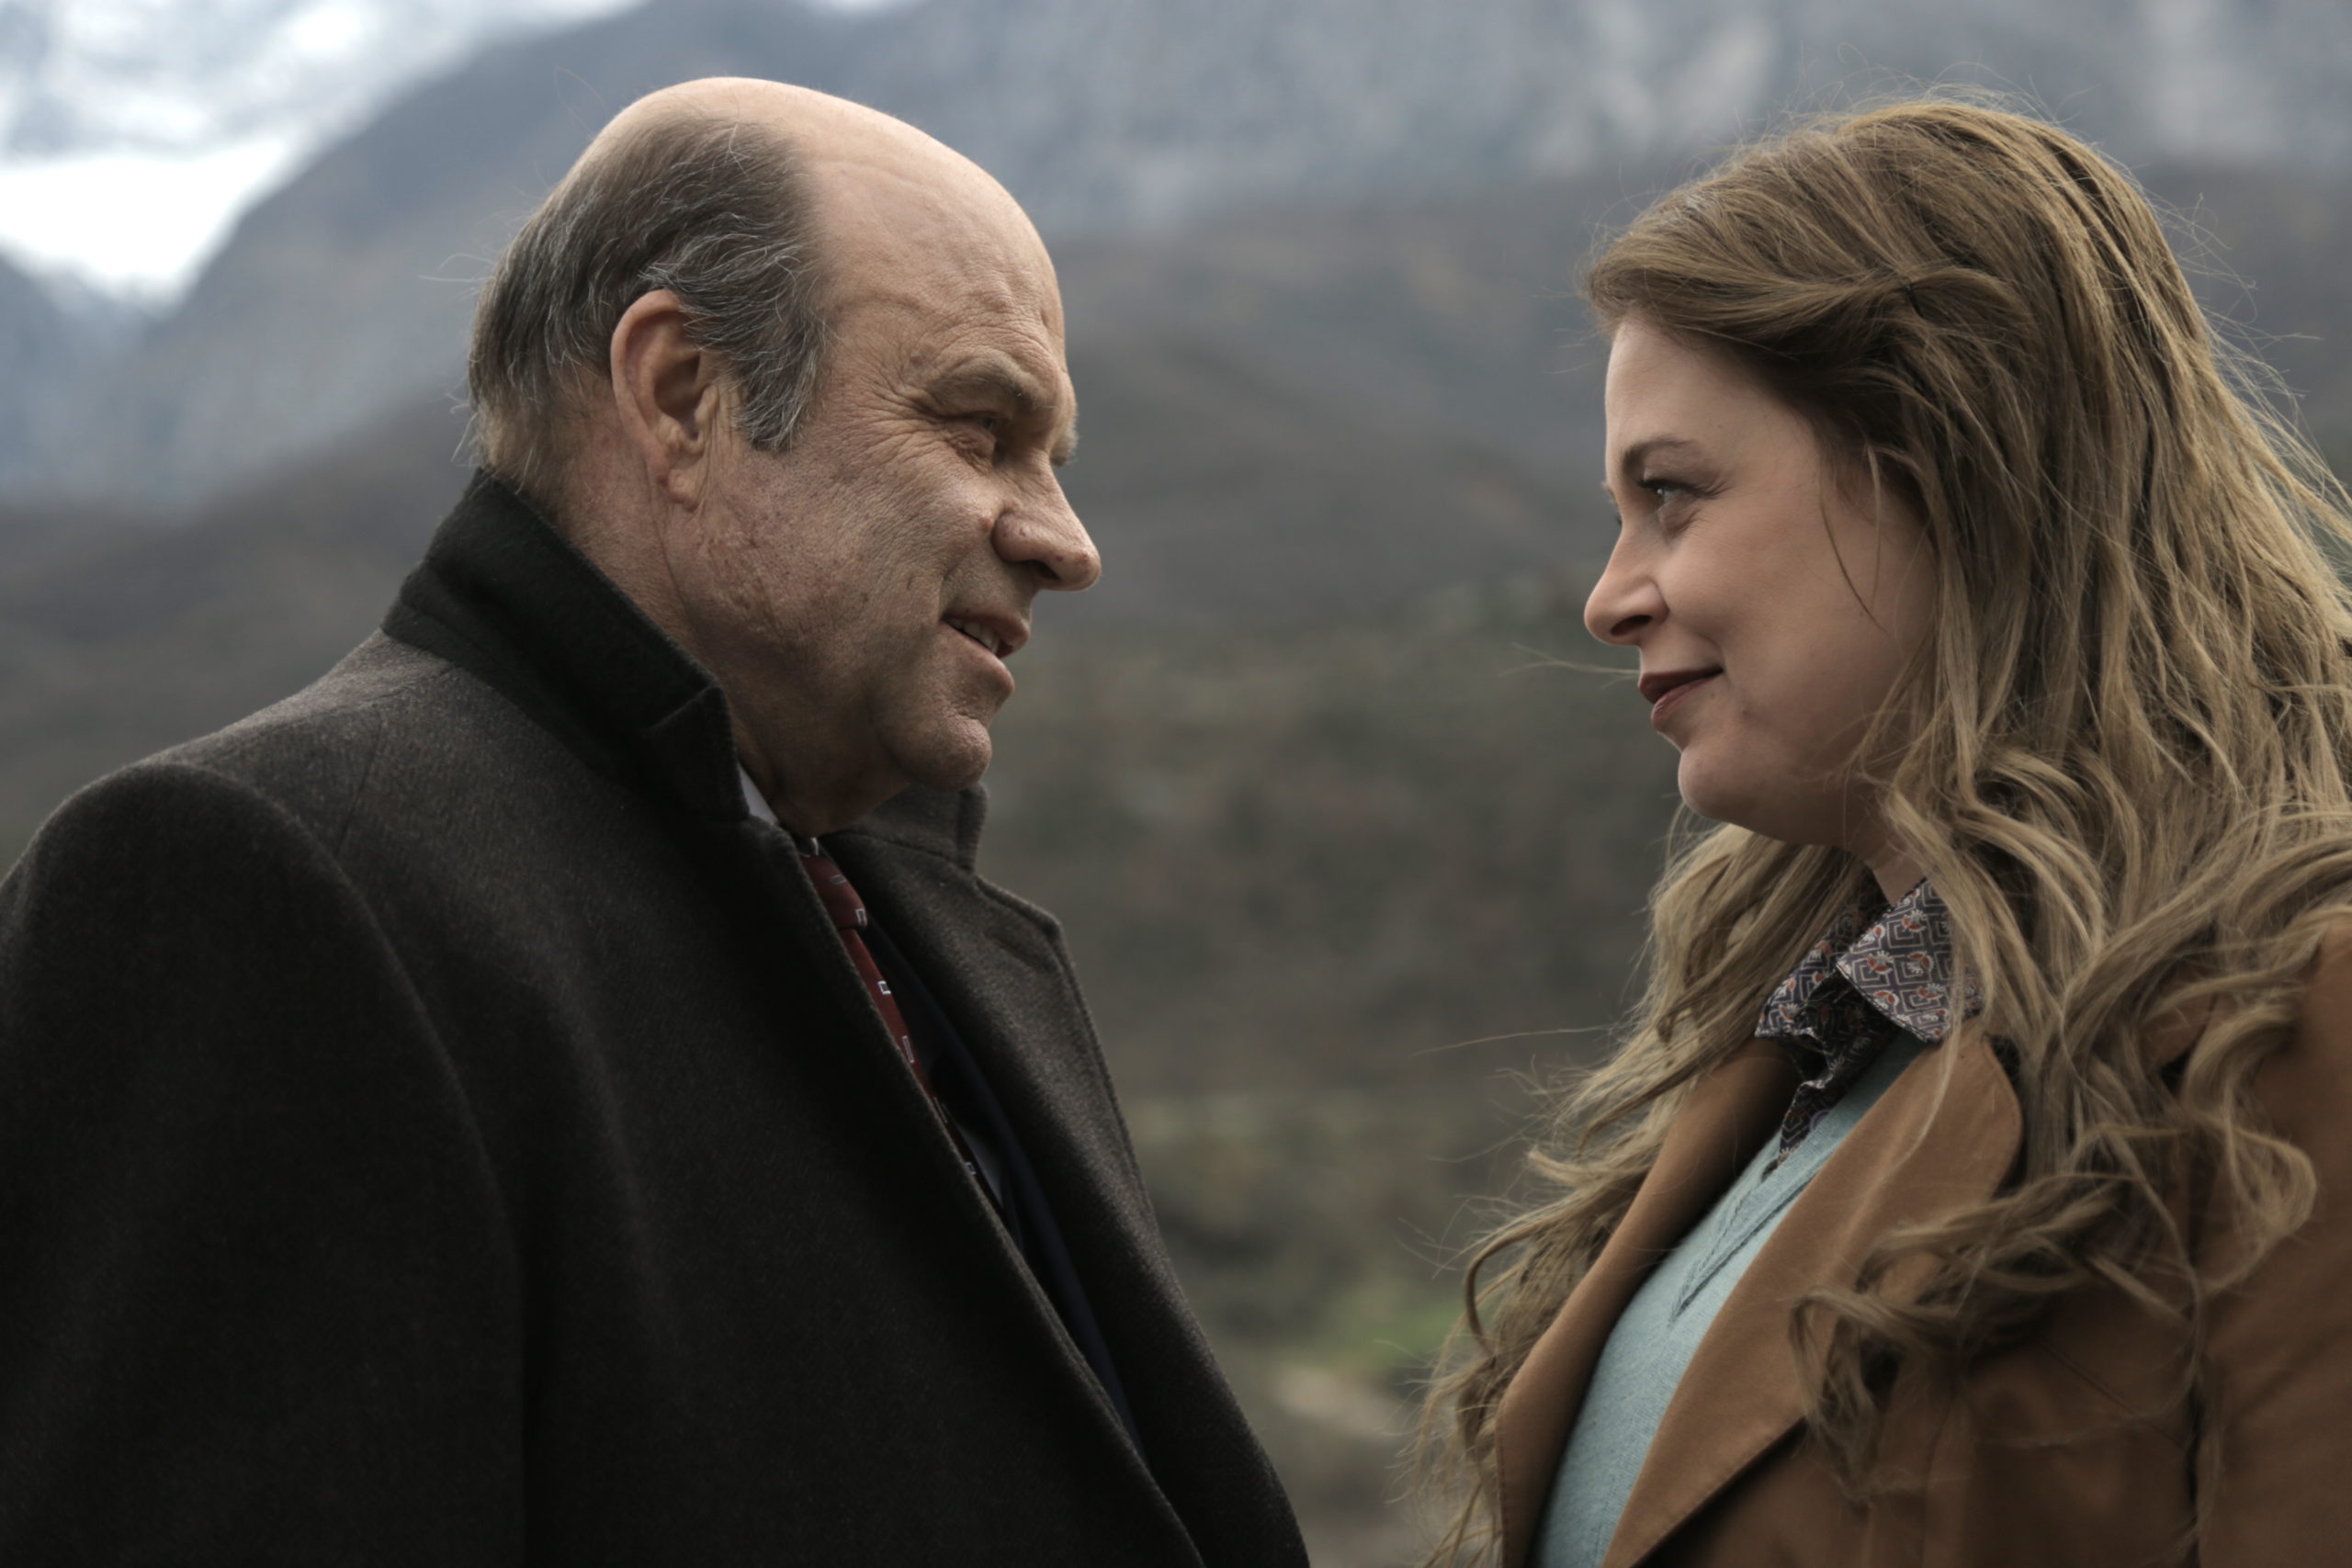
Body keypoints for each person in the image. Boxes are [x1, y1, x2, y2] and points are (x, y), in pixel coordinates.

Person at [0, 78, 1306, 1566]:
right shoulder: (261, 892)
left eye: (1053, 457)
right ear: (683, 393)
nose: (1066, 543)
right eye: (980, 428)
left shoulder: (924, 923)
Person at [1419, 100, 2352, 1566]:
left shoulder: (2300, 1023)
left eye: (1672, 495)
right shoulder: (1819, 1044)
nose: (1609, 597)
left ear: (1947, 460)